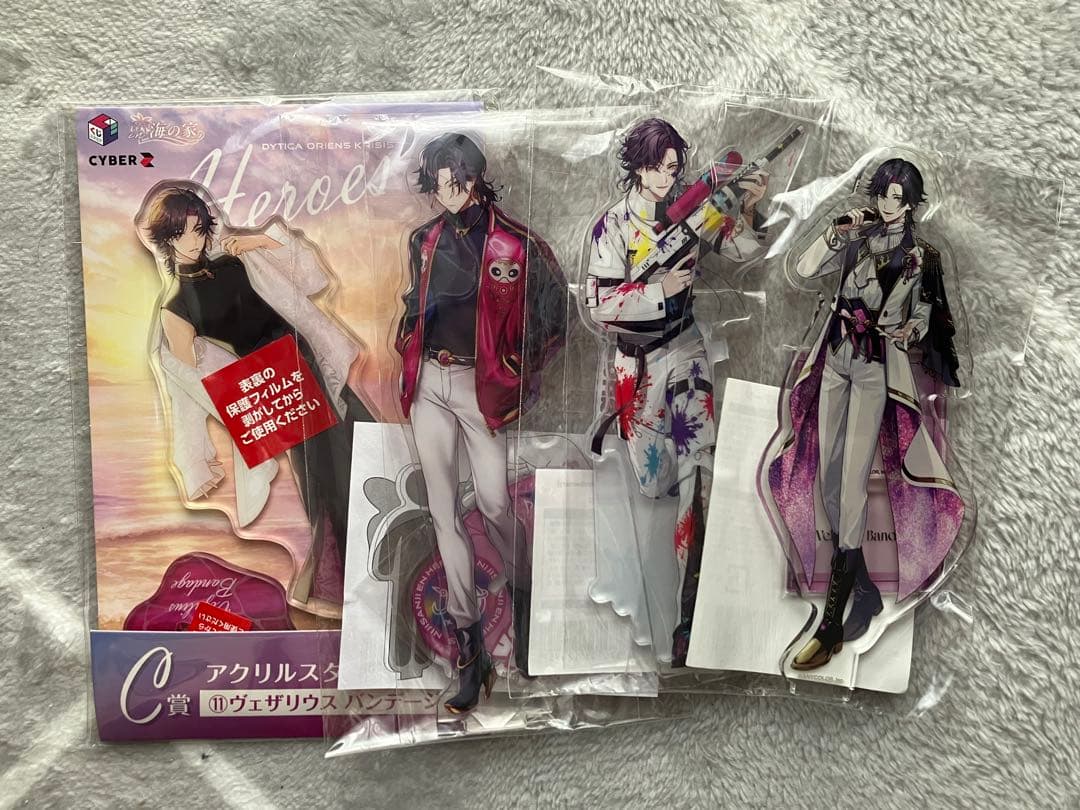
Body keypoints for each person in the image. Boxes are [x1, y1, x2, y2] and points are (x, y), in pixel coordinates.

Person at [762, 158, 963, 670]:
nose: (888, 204)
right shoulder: (857, 237)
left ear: (911, 204)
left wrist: (910, 330)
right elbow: (803, 270)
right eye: (883, 193)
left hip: (876, 368)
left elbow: (928, 314)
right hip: (835, 359)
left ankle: (830, 625)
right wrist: (835, 231)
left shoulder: (921, 257)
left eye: (898, 197)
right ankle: (867, 591)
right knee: (826, 483)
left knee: (852, 483)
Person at [586, 118, 769, 665]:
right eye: (660, 166)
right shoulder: (612, 226)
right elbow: (598, 306)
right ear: (639, 168)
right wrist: (657, 290)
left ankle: (691, 616)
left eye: (674, 167)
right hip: (635, 365)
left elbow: (745, 250)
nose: (669, 176)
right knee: (654, 482)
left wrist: (748, 205)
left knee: (697, 469)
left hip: (686, 349)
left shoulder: (694, 211)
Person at [395, 133, 566, 713]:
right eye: (439, 181)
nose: (448, 191)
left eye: (457, 179)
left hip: (481, 386)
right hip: (429, 383)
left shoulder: (515, 243)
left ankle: (525, 594)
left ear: (475, 176)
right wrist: (407, 340)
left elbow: (555, 315)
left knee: (494, 505)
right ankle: (471, 648)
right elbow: (413, 304)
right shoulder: (424, 239)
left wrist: (518, 367)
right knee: (443, 513)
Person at [139, 182, 372, 608]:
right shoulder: (175, 307)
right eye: (182, 232)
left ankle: (392, 545)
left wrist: (260, 240)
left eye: (198, 228)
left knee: (359, 441)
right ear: (165, 238)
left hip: (300, 355)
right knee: (323, 472)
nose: (194, 239)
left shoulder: (232, 263)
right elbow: (193, 378)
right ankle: (347, 578)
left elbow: (308, 279)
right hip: (272, 381)